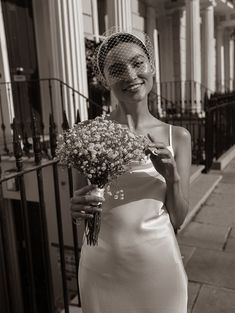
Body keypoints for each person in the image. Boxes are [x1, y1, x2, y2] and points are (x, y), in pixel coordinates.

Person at [70, 30, 191, 313]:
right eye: (116, 69)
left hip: (159, 265)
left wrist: (171, 175)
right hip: (101, 268)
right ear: (103, 79)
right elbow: (83, 210)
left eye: (138, 63)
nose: (130, 74)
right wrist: (76, 210)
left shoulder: (178, 136)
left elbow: (180, 217)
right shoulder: (87, 135)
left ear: (151, 67)